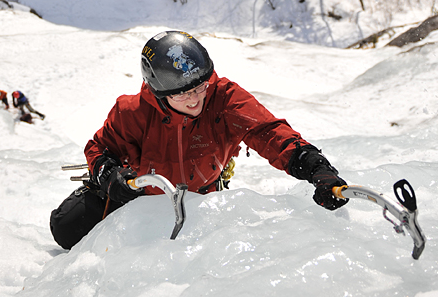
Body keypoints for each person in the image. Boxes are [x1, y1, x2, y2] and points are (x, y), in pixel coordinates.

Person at [50, 30, 348, 250]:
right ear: (159, 91)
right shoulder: (132, 111)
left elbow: (268, 132)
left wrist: (313, 166)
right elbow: (99, 148)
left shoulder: (224, 98)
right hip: (140, 195)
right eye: (183, 92)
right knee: (66, 228)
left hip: (201, 195)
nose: (195, 98)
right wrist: (107, 175)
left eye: (200, 86)